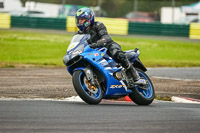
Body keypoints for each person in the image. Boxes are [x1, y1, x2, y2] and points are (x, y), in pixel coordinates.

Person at [75, 8, 146, 87]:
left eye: (82, 19)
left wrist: (99, 42)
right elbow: (78, 44)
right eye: (79, 20)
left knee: (117, 54)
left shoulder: (98, 25)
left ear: (89, 18)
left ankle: (136, 77)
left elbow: (106, 36)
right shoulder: (79, 33)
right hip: (94, 52)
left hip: (107, 46)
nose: (80, 21)